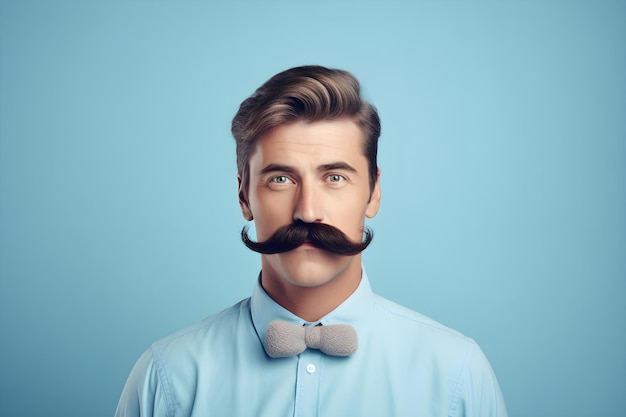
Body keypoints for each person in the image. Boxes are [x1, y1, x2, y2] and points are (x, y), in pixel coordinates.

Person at [115, 65, 508, 417]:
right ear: (244, 197)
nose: (307, 211)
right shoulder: (166, 378)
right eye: (280, 179)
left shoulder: (458, 375)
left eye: (335, 177)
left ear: (373, 193)